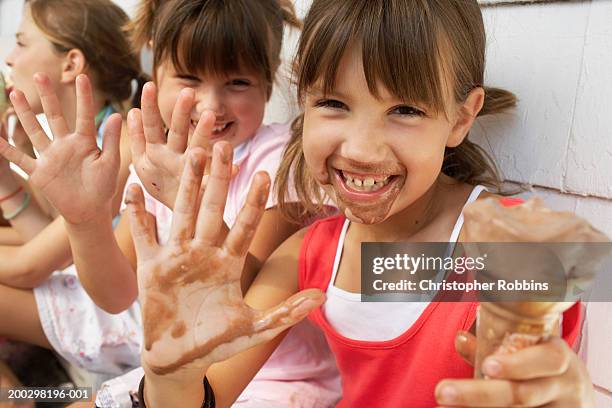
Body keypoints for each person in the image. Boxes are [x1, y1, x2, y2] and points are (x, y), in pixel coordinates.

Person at [117, 0, 589, 407]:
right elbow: (205, 395)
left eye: (405, 110)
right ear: (303, 99)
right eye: (334, 104)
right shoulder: (305, 256)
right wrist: (168, 376)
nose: (361, 149)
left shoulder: (514, 249)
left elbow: (542, 383)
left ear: (462, 117)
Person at [2, 1, 341, 406]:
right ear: (155, 75)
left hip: (275, 380)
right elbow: (116, 295)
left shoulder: (282, 160)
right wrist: (85, 221)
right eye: (189, 78)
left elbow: (248, 291)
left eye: (237, 83)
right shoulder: (157, 163)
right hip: (178, 368)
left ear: (266, 85)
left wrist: (193, 199)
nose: (211, 106)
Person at [0, 0, 142, 376]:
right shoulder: (87, 138)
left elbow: (30, 266)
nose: (10, 59)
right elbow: (44, 240)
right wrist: (3, 173)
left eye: (22, 42)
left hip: (118, 317)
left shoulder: (119, 144)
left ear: (71, 64)